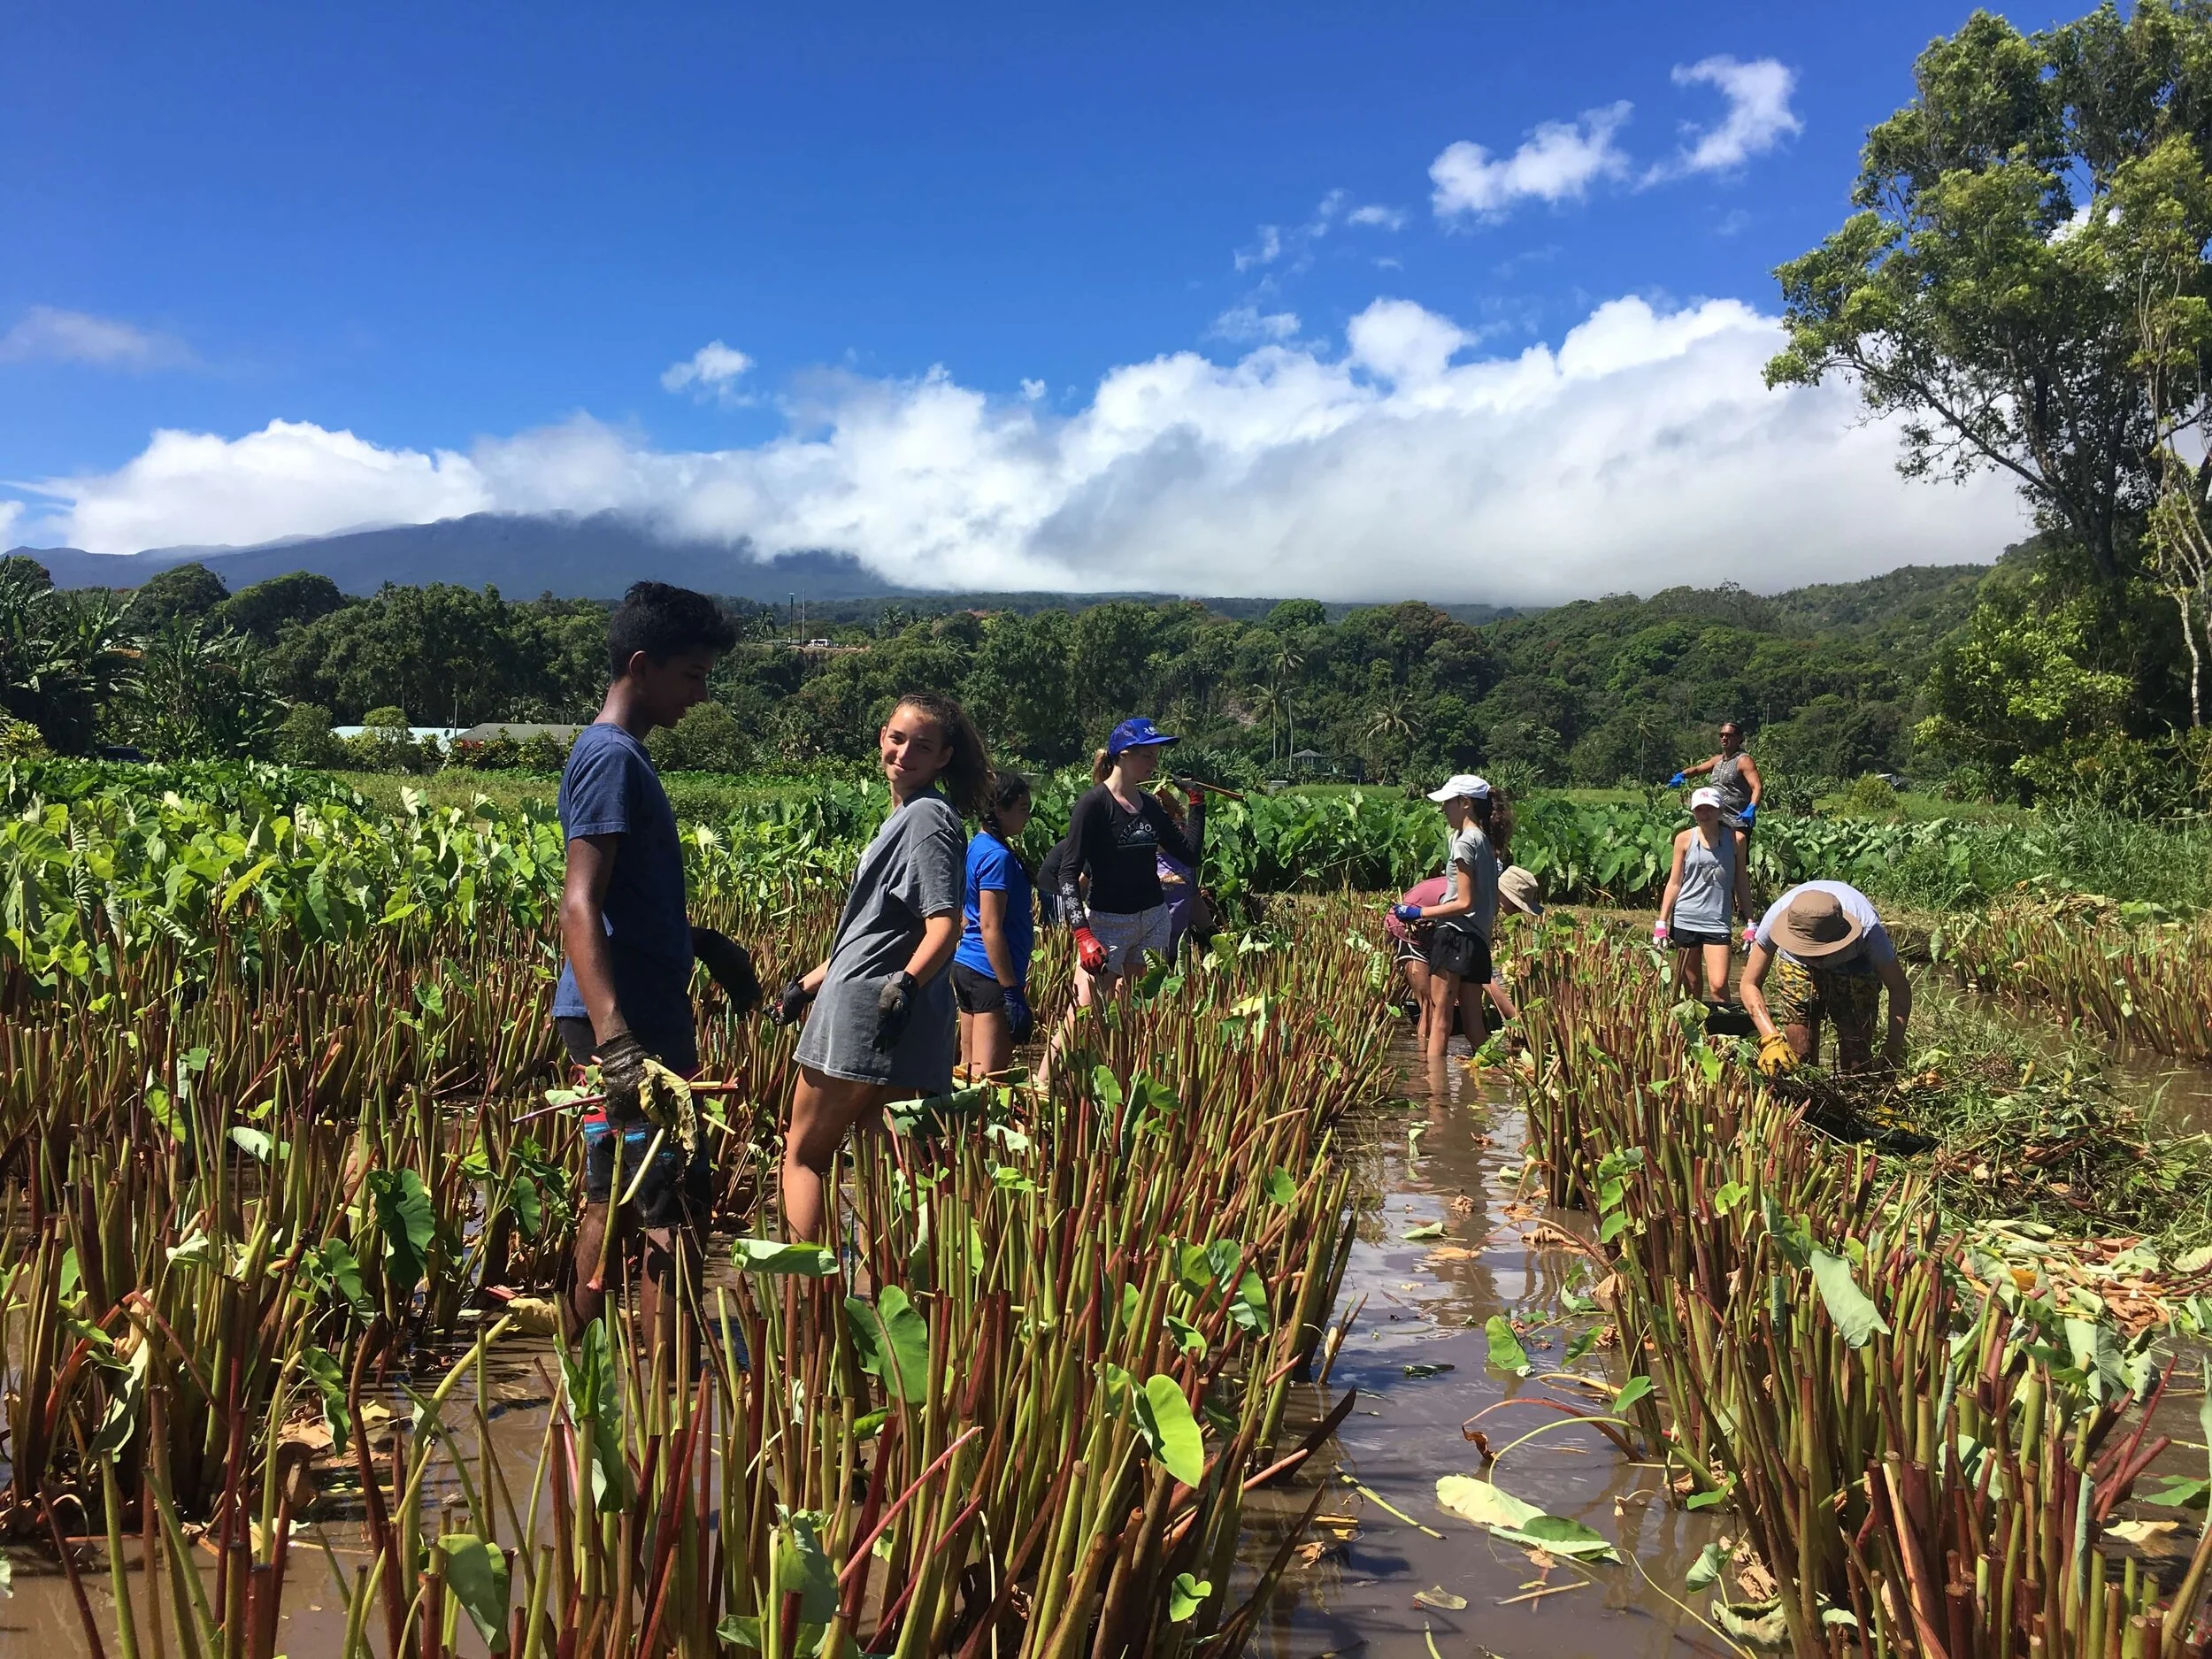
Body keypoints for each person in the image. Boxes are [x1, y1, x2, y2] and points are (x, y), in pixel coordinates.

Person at [551, 582, 756, 1348]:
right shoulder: (610, 758)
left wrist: (702, 943)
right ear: (641, 665)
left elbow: (620, 904)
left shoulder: (622, 757)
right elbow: (579, 902)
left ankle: (604, 1374)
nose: (700, 696)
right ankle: (668, 1393)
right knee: (665, 1199)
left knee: (628, 1191)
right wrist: (617, 1043)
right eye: (691, 677)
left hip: (635, 1008)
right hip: (624, 1022)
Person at [768, 694, 986, 1240]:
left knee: (803, 1156)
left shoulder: (927, 818)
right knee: (887, 1168)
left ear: (944, 757)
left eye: (923, 745)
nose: (905, 752)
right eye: (897, 737)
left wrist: (905, 985)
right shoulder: (911, 815)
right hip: (894, 1002)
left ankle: (810, 1302)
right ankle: (892, 1290)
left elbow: (945, 926)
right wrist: (805, 985)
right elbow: (876, 931)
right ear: (881, 737)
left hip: (875, 1007)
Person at [1056, 718, 1206, 1002]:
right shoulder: (1094, 805)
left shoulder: (1148, 805)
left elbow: (1189, 854)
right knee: (1082, 1017)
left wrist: (1197, 804)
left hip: (1153, 920)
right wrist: (1083, 935)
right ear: (1124, 755)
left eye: (1156, 755)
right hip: (1108, 922)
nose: (1154, 762)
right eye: (1147, 755)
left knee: (1131, 1015)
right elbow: (1068, 873)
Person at [1740, 880, 1911, 1078]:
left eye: (1820, 952)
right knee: (1797, 1058)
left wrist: (1893, 1046)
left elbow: (1899, 989)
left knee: (1857, 1060)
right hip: (1796, 964)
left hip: (1855, 965)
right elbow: (1749, 983)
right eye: (1810, 951)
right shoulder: (1775, 919)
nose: (1816, 959)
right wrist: (1770, 1037)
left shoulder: (1869, 930)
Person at [1390, 775, 1500, 1062]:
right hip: (1478, 941)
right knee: (1475, 1026)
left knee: (1440, 1020)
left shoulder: (1464, 842)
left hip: (1454, 936)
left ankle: (1435, 1097)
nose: (1443, 810)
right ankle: (1498, 1076)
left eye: (1448, 803)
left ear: (1465, 804)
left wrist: (1418, 913)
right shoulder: (1486, 842)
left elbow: (1463, 902)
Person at [951, 771, 1036, 1079]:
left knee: (967, 1071)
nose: (1027, 817)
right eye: (1023, 809)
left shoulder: (977, 846)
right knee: (989, 1076)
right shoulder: (997, 857)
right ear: (1000, 810)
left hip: (968, 967)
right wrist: (1011, 989)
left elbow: (966, 915)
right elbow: (990, 926)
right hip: (989, 973)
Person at [1655, 787, 1755, 1008]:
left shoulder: (1736, 840)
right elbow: (1674, 882)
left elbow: (1741, 882)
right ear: (1693, 812)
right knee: (1691, 984)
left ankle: (1726, 1035)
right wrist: (1661, 921)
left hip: (1717, 920)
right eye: (1699, 809)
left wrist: (1750, 921)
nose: (1704, 814)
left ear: (1719, 810)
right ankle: (1695, 1034)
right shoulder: (1684, 839)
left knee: (1718, 984)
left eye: (1709, 808)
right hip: (1685, 918)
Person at [1670, 719, 1762, 847]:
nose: (1724, 738)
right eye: (1722, 735)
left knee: (1736, 861)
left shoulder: (1743, 760)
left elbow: (1756, 786)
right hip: (1716, 821)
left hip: (1737, 821)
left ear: (1739, 739)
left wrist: (1751, 808)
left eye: (1729, 735)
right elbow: (1697, 770)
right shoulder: (1718, 760)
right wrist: (1682, 775)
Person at [1152, 786, 1217, 957]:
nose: (1181, 830)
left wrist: (1210, 931)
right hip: (1148, 949)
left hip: (1180, 949)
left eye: (1183, 825)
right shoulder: (1142, 858)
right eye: (1175, 826)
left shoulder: (1186, 862)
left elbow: (1193, 899)